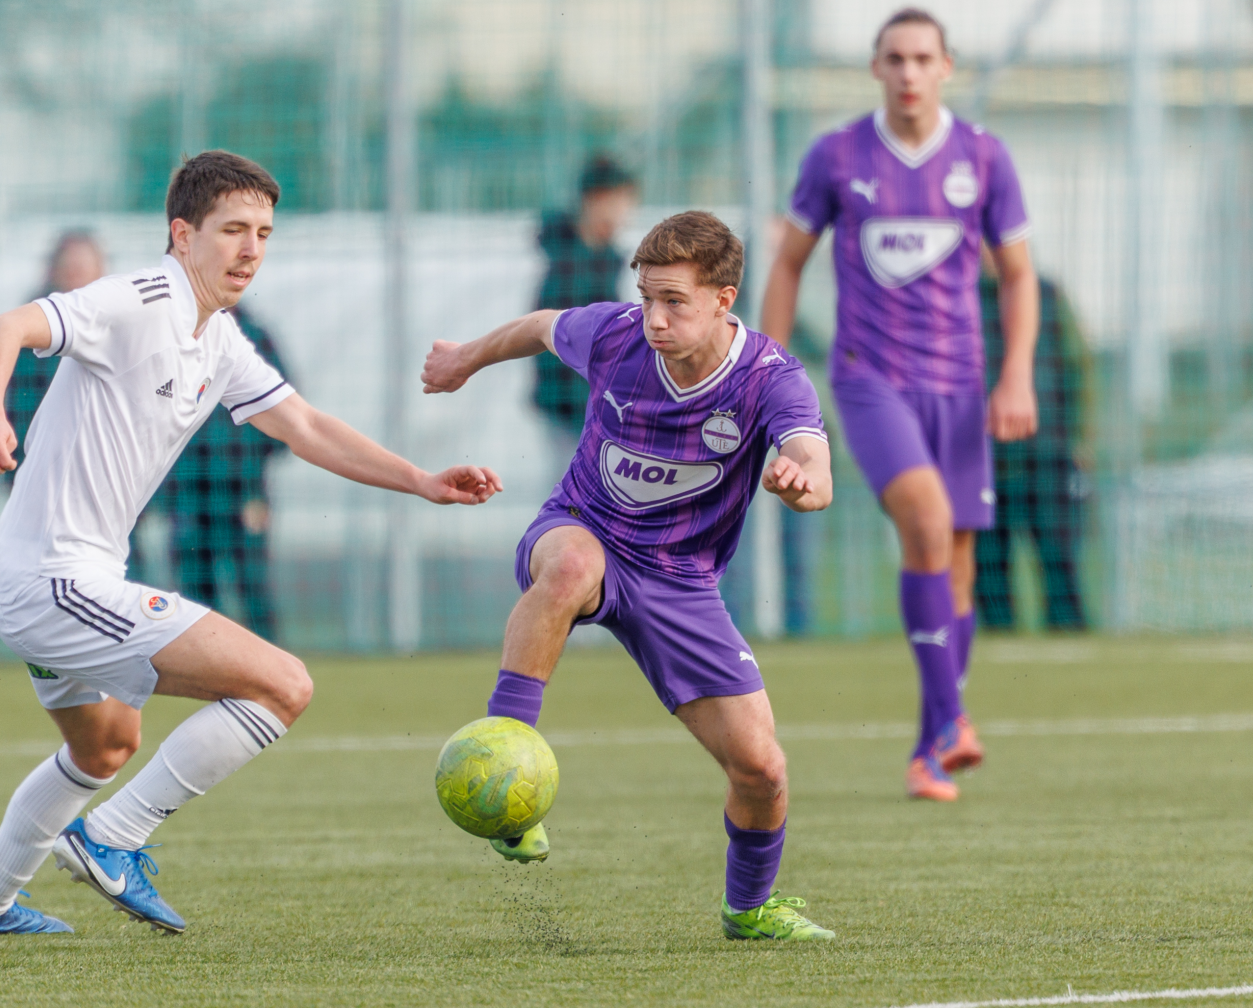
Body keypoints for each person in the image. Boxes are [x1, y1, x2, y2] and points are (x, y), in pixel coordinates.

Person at [0, 151, 502, 936]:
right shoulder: (138, 299)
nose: (251, 250)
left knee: (105, 746)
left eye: (264, 233)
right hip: (52, 580)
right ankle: (111, 836)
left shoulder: (221, 339)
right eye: (233, 230)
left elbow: (303, 426)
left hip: (53, 578)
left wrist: (423, 480)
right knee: (283, 685)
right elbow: (2, 328)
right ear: (182, 234)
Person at [422, 210, 838, 942]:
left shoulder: (771, 377)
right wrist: (465, 359)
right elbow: (541, 326)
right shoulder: (616, 335)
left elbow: (814, 460)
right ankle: (507, 768)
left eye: (673, 301)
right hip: (583, 529)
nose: (653, 317)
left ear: (724, 297)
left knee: (763, 772)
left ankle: (747, 908)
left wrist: (800, 480)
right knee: (574, 565)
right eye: (646, 296)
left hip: (680, 582)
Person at [760, 7, 1039, 802]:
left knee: (956, 568)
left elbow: (1017, 276)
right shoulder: (837, 155)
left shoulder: (984, 158)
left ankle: (929, 749)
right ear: (875, 70)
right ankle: (953, 720)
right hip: (869, 379)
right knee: (922, 521)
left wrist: (1015, 375)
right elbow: (787, 266)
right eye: (895, 59)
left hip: (960, 386)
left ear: (947, 66)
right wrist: (773, 374)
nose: (909, 72)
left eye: (923, 58)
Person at [149, 304, 289, 639]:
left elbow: (286, 412)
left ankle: (269, 667)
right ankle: (210, 665)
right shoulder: (162, 337)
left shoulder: (255, 336)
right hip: (186, 489)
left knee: (252, 583)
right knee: (196, 592)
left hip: (243, 487)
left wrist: (248, 462)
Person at [975, 251, 1089, 632]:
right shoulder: (960, 299)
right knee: (988, 567)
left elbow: (1079, 366)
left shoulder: (1048, 294)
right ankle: (998, 638)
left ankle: (1070, 635)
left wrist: (1081, 438)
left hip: (1047, 453)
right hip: (983, 458)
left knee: (1059, 557)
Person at [532, 155, 639, 465]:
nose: (625, 215)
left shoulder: (602, 260)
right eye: (622, 204)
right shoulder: (569, 268)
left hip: (595, 410)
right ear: (598, 200)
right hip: (574, 411)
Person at [5, 231, 106, 480]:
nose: (77, 277)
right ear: (53, 272)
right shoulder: (29, 339)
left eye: (83, 268)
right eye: (71, 269)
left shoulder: (119, 329)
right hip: (43, 472)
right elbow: (19, 410)